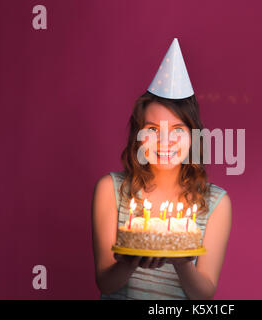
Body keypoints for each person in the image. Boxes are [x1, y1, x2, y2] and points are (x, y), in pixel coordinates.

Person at [91, 39, 232, 300]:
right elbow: (105, 284)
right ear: (138, 135)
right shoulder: (111, 190)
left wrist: (181, 261)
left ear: (194, 137)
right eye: (153, 130)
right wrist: (130, 260)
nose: (165, 142)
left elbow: (204, 296)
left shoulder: (216, 203)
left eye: (178, 130)